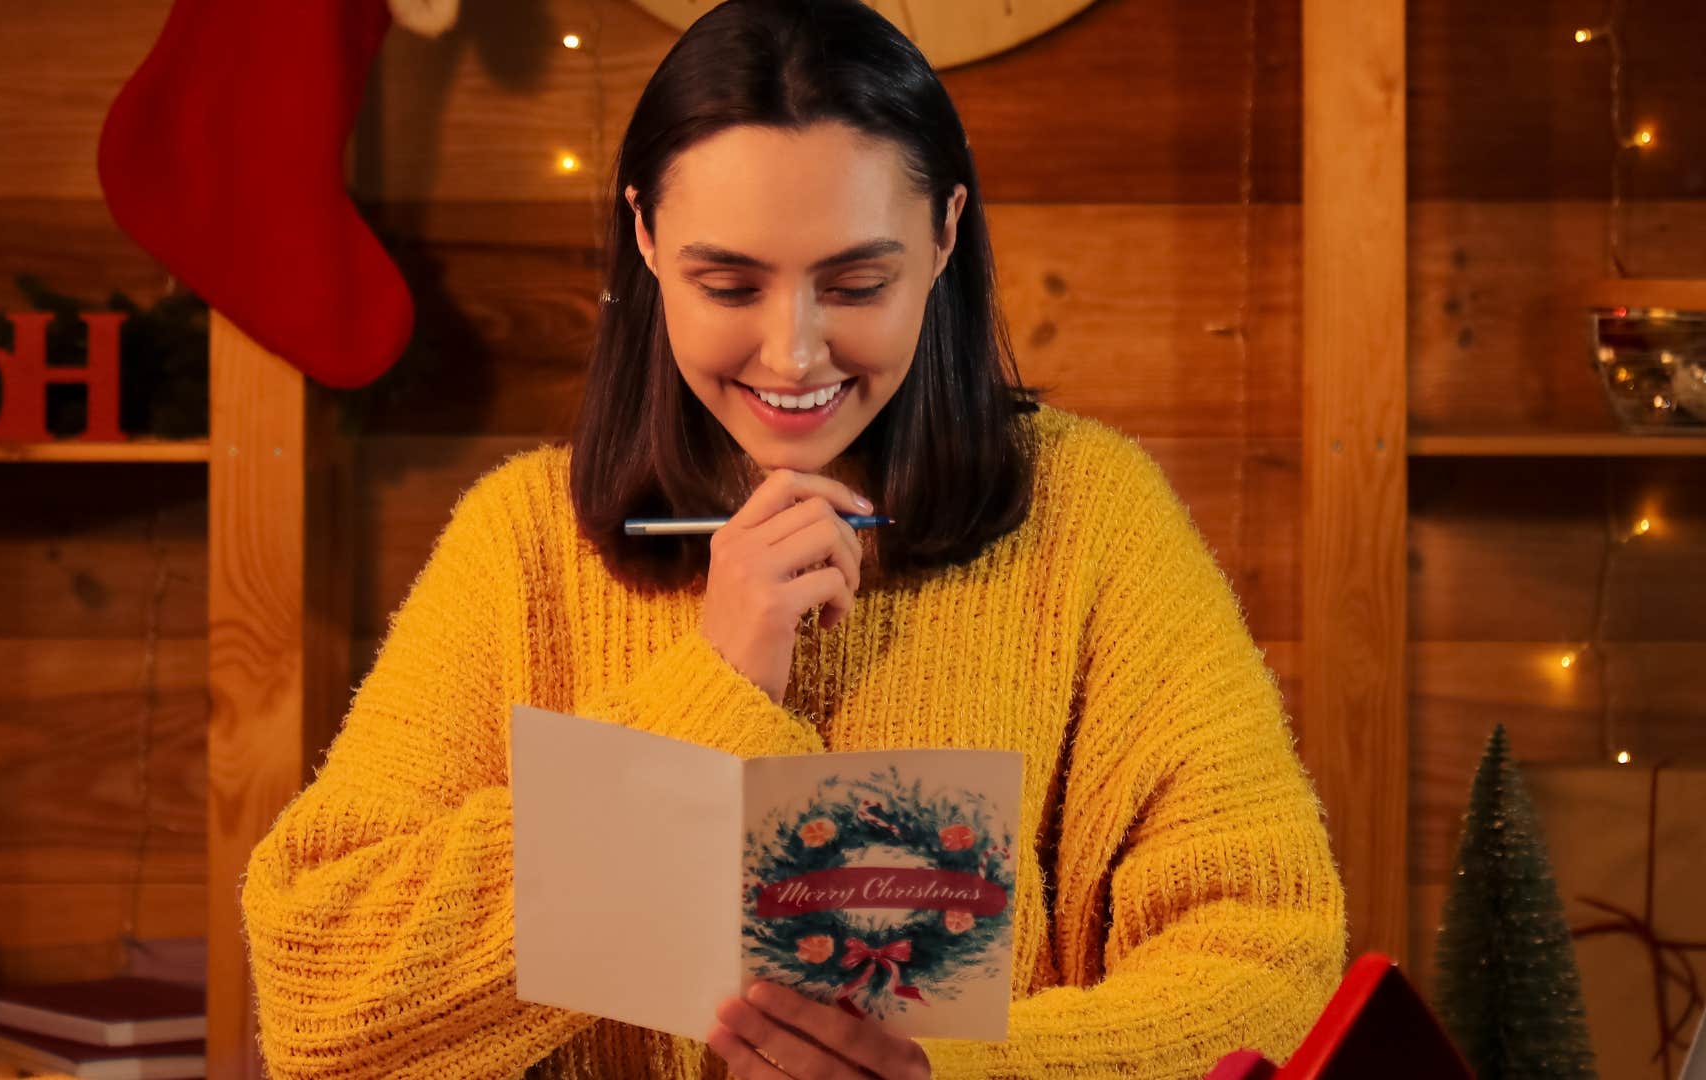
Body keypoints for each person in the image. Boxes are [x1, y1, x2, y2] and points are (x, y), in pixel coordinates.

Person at [239, 1, 1347, 1076]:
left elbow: (1270, 963)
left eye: (857, 283)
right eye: (728, 284)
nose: (794, 354)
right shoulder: (522, 542)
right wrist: (707, 699)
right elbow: (320, 1005)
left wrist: (944, 1075)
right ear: (646, 236)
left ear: (945, 234)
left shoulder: (1090, 515)